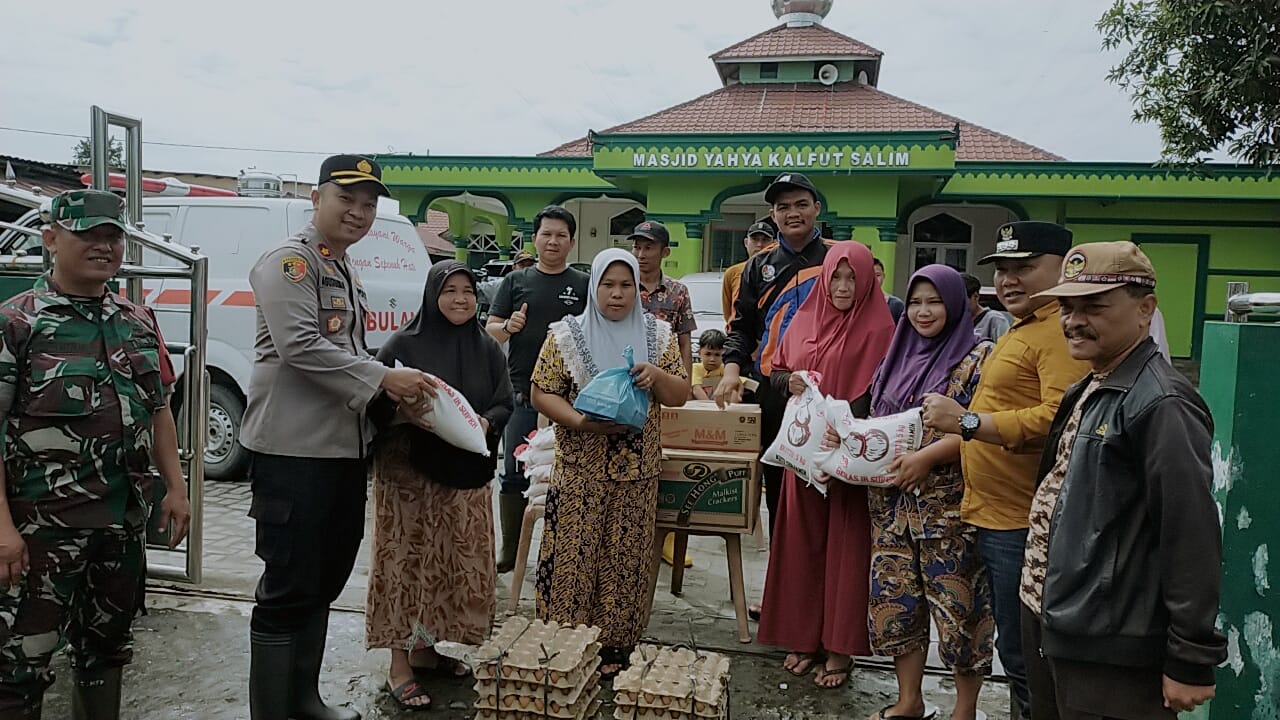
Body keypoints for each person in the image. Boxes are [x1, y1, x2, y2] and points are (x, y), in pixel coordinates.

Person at [241, 155, 436, 720]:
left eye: (369, 203)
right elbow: (301, 346)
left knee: (323, 581)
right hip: (293, 454)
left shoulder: (342, 268)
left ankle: (304, 700)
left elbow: (349, 354)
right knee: (288, 586)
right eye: (346, 198)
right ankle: (273, 712)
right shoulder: (290, 265)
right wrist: (383, 377)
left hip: (342, 453)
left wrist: (394, 398)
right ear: (315, 197)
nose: (358, 212)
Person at [0, 189, 190, 719]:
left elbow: (159, 410)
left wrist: (176, 489)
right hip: (40, 531)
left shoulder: (137, 320)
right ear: (51, 239)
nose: (104, 246)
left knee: (105, 650)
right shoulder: (16, 324)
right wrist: (1, 530)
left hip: (120, 524)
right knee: (19, 665)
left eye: (112, 236)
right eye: (88, 235)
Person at [1020, 242, 1225, 719]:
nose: (1073, 320)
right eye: (1067, 307)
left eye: (1093, 306)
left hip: (1111, 647)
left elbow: (1189, 533)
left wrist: (1190, 656)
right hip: (1057, 624)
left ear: (1144, 309)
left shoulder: (1161, 402)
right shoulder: (1089, 386)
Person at [920, 221, 1090, 720]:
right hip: (994, 512)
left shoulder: (1058, 331)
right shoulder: (1026, 326)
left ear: (1064, 268)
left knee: (1025, 658)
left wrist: (968, 421)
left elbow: (1061, 418)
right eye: (1005, 270)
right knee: (1016, 653)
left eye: (1025, 268)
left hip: (1020, 519)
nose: (1011, 280)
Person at [531, 249, 688, 677]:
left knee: (627, 559)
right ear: (593, 286)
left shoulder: (658, 335)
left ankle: (616, 648)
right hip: (580, 470)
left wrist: (655, 376)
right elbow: (541, 392)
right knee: (572, 556)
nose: (617, 295)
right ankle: (564, 641)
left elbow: (679, 394)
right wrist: (580, 421)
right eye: (608, 285)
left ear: (639, 289)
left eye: (626, 286)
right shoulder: (568, 334)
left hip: (636, 473)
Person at [365, 261, 513, 711]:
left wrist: (485, 422)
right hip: (409, 477)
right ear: (433, 296)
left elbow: (504, 401)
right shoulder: (402, 345)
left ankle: (427, 650)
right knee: (405, 566)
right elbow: (373, 404)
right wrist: (407, 414)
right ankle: (399, 666)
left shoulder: (486, 347)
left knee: (451, 564)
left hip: (463, 475)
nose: (460, 300)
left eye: (468, 291)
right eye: (450, 291)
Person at [756, 242, 895, 690]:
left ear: (867, 279)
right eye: (835, 277)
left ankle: (838, 647)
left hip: (849, 459)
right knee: (802, 544)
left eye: (850, 278)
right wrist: (789, 380)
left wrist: (847, 424)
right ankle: (802, 636)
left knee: (844, 550)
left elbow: (884, 390)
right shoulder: (805, 318)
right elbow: (776, 372)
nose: (840, 287)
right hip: (804, 455)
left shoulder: (880, 328)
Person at [865, 265, 996, 720]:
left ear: (956, 304)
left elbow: (985, 428)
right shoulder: (894, 356)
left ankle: (964, 709)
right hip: (891, 506)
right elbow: (878, 423)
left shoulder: (981, 359)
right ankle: (909, 700)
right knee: (900, 605)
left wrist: (928, 457)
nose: (922, 312)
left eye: (934, 301)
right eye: (916, 302)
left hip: (949, 512)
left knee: (961, 611)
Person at [716, 173, 834, 538]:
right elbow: (742, 328)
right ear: (773, 213)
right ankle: (782, 590)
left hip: (830, 392)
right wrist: (731, 372)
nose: (793, 213)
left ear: (817, 208)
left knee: (827, 487)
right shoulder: (757, 267)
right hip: (774, 390)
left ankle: (824, 591)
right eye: (783, 207)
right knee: (780, 491)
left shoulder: (837, 258)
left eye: (801, 204)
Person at [486, 206, 589, 574]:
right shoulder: (515, 282)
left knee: (567, 477)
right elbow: (490, 330)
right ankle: (511, 551)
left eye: (561, 235)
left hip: (570, 398)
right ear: (535, 238)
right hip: (521, 394)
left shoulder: (582, 284)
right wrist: (509, 326)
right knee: (514, 473)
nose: (553, 241)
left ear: (572, 242)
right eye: (546, 234)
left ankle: (561, 555)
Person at [630, 220, 696, 380]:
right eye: (637, 247)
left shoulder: (678, 291)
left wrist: (685, 385)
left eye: (648, 248)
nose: (641, 255)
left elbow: (684, 343)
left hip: (665, 376)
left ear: (665, 252)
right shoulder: (623, 287)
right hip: (627, 371)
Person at [722, 220, 776, 322]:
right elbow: (728, 312)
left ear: (774, 244)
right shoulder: (733, 273)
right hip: (741, 333)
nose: (760, 244)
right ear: (746, 243)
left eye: (765, 240)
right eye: (755, 239)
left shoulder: (779, 272)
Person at [963, 272, 1013, 343]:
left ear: (975, 296)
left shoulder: (995, 319)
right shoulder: (954, 321)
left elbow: (1005, 346)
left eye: (962, 300)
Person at [691, 329, 727, 400]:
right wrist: (710, 407)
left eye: (717, 355)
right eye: (708, 354)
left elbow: (736, 383)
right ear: (699, 353)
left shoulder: (724, 369)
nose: (712, 359)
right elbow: (696, 390)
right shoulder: (695, 368)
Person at [874, 258, 906, 324]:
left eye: (877, 275)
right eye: (869, 275)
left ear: (883, 276)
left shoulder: (896, 306)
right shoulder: (854, 304)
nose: (874, 280)